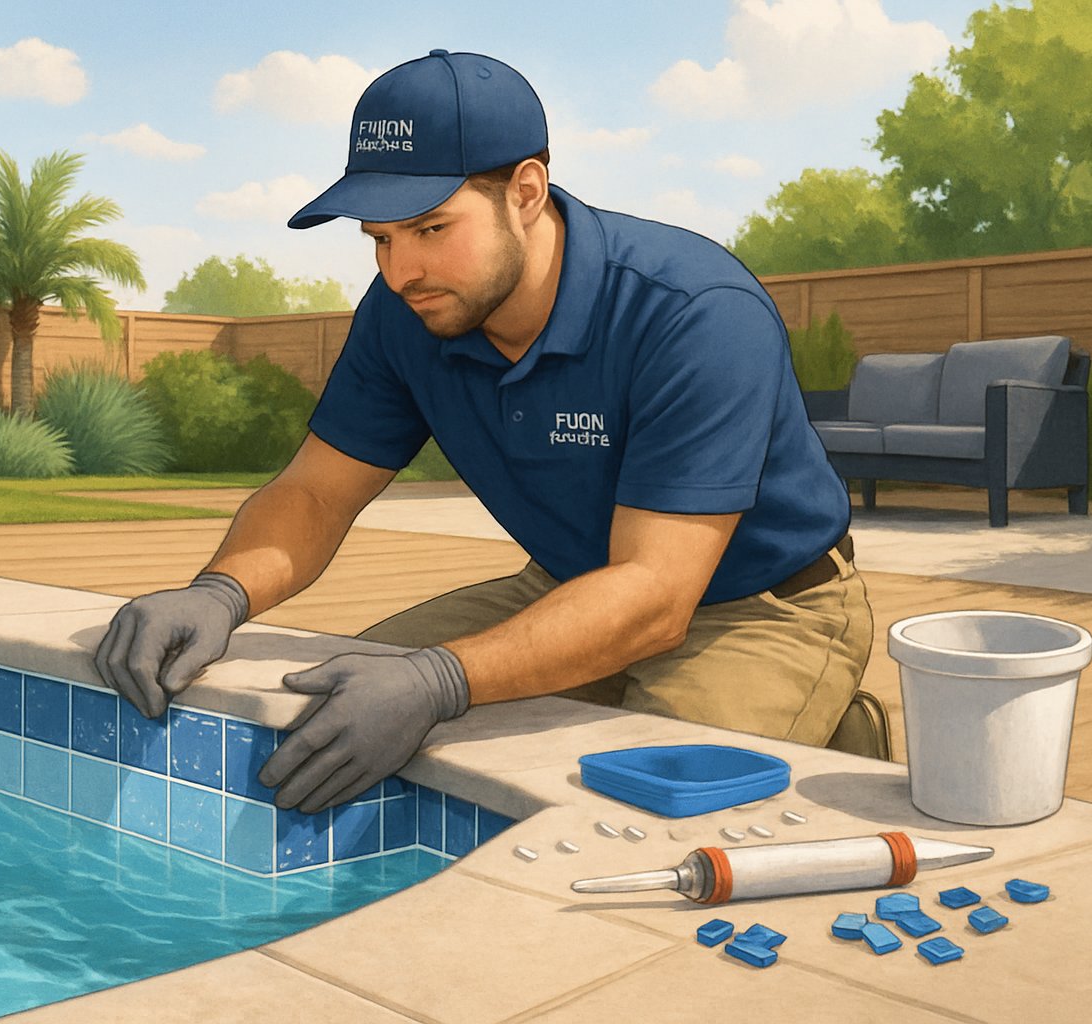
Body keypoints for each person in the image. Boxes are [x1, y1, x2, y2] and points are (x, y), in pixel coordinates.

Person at [94, 49, 871, 816]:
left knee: (638, 816)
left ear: (526, 192)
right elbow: (315, 493)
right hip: (569, 586)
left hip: (758, 606)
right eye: (380, 238)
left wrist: (441, 682)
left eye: (432, 228)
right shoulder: (408, 310)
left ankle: (833, 727)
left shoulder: (694, 312)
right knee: (328, 709)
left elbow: (655, 595)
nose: (401, 270)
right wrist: (218, 594)